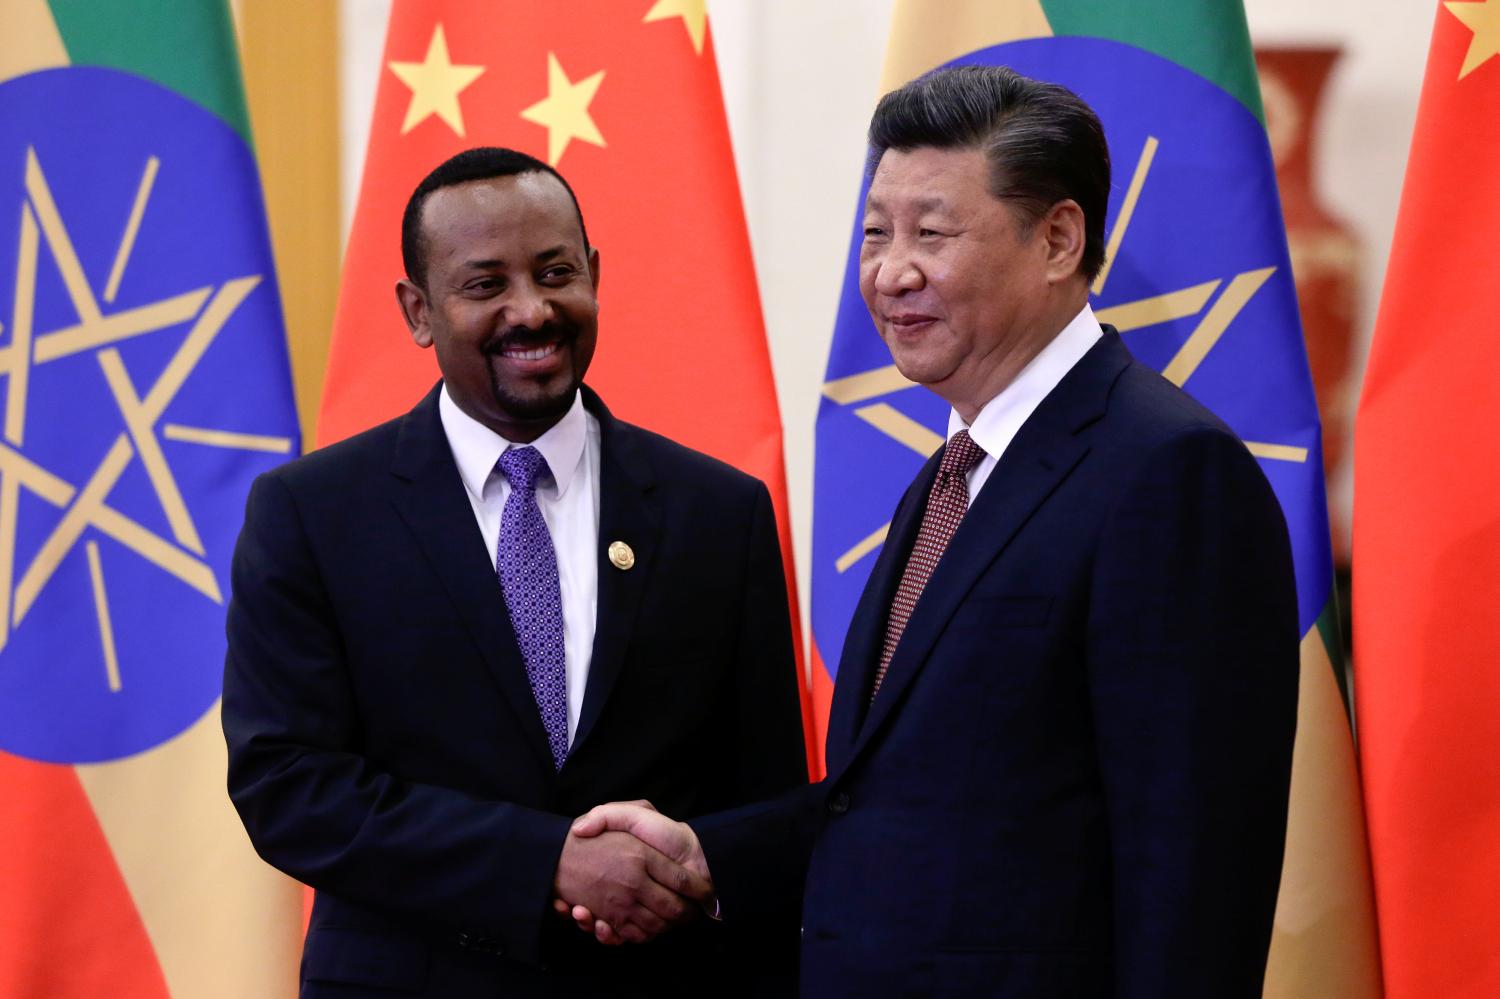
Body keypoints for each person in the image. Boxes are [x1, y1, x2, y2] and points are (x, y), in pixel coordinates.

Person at [566, 65, 1300, 998]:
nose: (890, 271)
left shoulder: (1168, 472)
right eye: (875, 233)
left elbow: (1196, 864)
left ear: (1058, 239)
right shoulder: (951, 474)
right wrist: (709, 853)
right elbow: (906, 795)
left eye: (932, 233)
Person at [222, 147, 808, 998]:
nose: (532, 311)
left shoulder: (720, 511)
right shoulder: (313, 513)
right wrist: (546, 866)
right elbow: (290, 786)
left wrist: (702, 867)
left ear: (596, 277)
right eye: (486, 284)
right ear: (419, 311)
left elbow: (768, 805)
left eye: (556, 272)